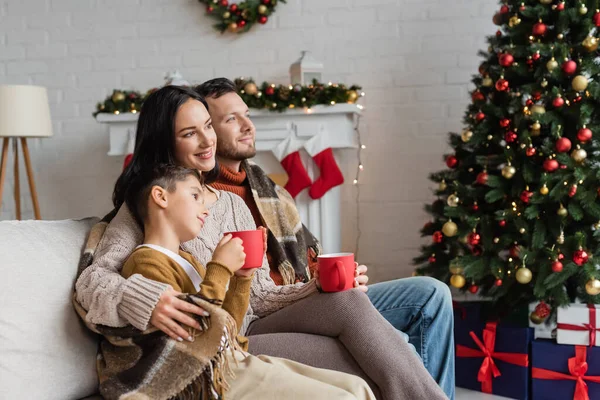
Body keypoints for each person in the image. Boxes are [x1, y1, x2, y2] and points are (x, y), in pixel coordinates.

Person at [75, 85, 448, 399]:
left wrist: (316, 287)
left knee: (349, 300)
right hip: (227, 340)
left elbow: (261, 295)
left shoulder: (233, 204)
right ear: (164, 143)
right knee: (373, 357)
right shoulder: (149, 205)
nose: (208, 140)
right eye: (190, 133)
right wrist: (146, 299)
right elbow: (92, 284)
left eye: (207, 126)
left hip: (253, 319)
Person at [196, 78, 455, 399]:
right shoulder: (193, 202)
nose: (248, 126)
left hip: (305, 296)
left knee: (431, 293)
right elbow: (252, 296)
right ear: (205, 131)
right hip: (267, 313)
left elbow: (311, 254)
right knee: (394, 349)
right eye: (230, 119)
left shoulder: (264, 187)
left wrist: (336, 278)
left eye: (246, 114)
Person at [118, 163, 376, 399]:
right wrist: (219, 268)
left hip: (231, 357)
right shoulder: (146, 263)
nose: (205, 207)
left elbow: (228, 327)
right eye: (195, 196)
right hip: (207, 373)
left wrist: (242, 277)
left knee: (357, 387)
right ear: (160, 197)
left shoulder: (187, 260)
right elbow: (193, 336)